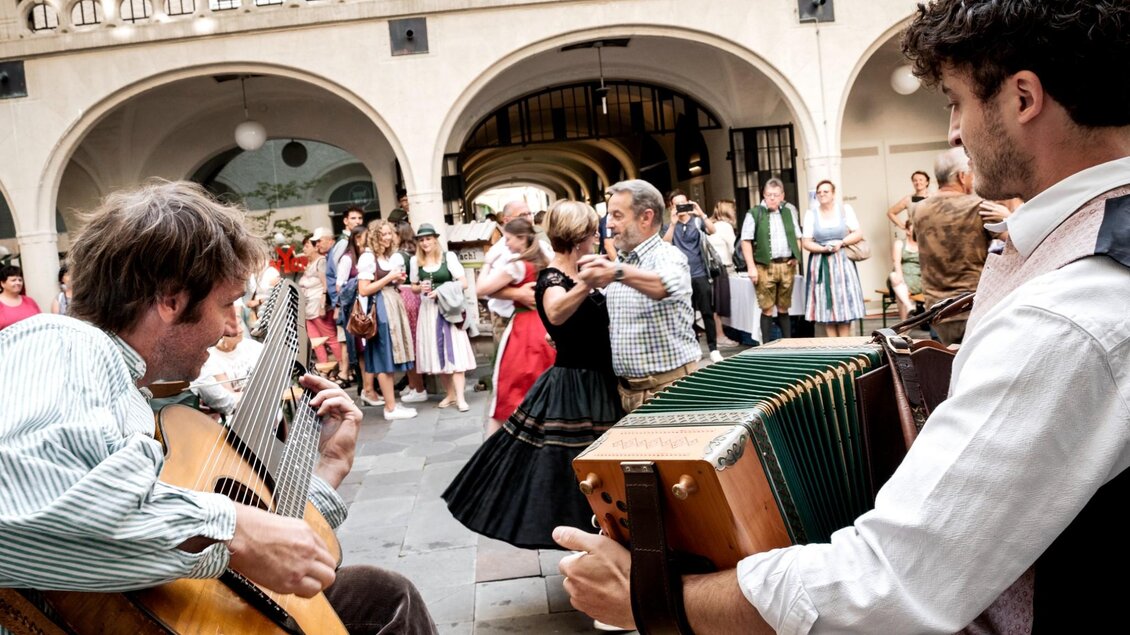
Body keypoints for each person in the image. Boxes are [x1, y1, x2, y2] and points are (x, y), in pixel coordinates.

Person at [555, 1, 1130, 632]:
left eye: (956, 102)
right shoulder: (1080, 259)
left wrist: (657, 598)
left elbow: (890, 583)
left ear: (1023, 97)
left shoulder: (1067, 316)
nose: (954, 134)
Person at [0, 181, 436, 634]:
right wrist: (234, 526)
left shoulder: (130, 389)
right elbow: (19, 502)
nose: (233, 325)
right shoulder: (62, 341)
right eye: (226, 303)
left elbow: (237, 559)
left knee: (383, 597)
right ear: (171, 298)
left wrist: (328, 470)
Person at [443, 200, 623, 548]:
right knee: (575, 468)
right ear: (580, 236)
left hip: (597, 380)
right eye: (592, 231)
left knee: (589, 469)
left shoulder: (575, 270)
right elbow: (555, 311)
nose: (598, 236)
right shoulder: (554, 277)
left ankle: (598, 541)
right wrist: (587, 284)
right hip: (577, 386)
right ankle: (587, 544)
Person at [577, 179, 699, 414]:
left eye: (617, 215)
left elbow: (665, 284)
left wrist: (615, 272)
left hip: (670, 391)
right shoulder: (622, 261)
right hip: (627, 393)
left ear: (646, 217)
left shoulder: (667, 255)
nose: (609, 224)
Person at [475, 217, 556, 435]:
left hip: (524, 330)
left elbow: (480, 288)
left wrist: (488, 262)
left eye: (509, 239)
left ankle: (496, 448)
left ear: (521, 239)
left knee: (510, 386)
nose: (506, 244)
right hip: (546, 324)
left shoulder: (517, 265)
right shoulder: (546, 257)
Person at [911, 147, 992, 345]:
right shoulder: (977, 206)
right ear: (961, 176)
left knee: (946, 364)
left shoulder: (919, 209)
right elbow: (1014, 239)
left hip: (937, 308)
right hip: (971, 304)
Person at [409, 223, 477, 411]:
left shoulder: (448, 257)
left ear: (435, 239)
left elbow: (463, 283)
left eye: (428, 238)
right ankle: (450, 394)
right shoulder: (416, 262)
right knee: (437, 353)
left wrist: (441, 291)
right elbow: (413, 286)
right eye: (421, 240)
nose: (425, 243)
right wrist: (419, 288)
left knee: (455, 351)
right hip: (429, 311)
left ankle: (461, 398)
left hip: (448, 310)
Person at [356, 220, 418, 421]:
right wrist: (388, 277)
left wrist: (397, 279)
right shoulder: (368, 258)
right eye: (382, 234)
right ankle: (390, 408)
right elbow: (364, 289)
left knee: (390, 354)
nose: (387, 237)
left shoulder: (386, 256)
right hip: (381, 307)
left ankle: (391, 403)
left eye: (389, 234)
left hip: (392, 302)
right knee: (384, 356)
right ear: (375, 236)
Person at [738, 178, 804, 343]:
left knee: (784, 306)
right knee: (766, 307)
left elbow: (798, 237)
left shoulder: (788, 212)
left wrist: (796, 256)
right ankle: (767, 346)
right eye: (769, 195)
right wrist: (751, 267)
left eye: (775, 195)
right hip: (764, 266)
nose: (772, 198)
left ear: (782, 195)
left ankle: (789, 345)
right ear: (764, 195)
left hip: (786, 266)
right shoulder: (754, 213)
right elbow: (745, 240)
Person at [800, 179, 867, 337]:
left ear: (833, 194)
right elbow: (806, 242)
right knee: (826, 307)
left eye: (826, 191)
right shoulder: (811, 214)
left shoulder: (844, 210)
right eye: (819, 192)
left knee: (844, 303)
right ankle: (833, 345)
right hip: (821, 263)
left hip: (843, 262)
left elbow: (858, 233)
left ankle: (844, 344)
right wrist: (823, 249)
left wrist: (841, 243)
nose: (822, 194)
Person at [662, 189, 722, 363]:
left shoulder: (696, 222)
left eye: (684, 203)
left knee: (706, 312)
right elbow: (665, 244)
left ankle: (713, 348)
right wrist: (673, 224)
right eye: (677, 204)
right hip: (680, 276)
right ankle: (694, 347)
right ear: (672, 207)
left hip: (699, 273)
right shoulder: (669, 225)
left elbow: (713, 230)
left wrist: (701, 213)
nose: (682, 207)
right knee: (686, 314)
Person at [326, 207, 367, 387]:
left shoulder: (352, 243)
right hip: (347, 302)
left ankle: (349, 375)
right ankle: (348, 375)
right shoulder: (344, 245)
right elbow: (339, 277)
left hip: (348, 302)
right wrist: (337, 304)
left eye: (360, 218)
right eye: (353, 218)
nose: (357, 221)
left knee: (351, 342)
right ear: (345, 221)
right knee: (350, 342)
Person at [192, 320, 264, 417]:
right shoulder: (210, 358)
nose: (241, 330)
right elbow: (227, 399)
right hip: (238, 413)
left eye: (239, 324)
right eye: (233, 327)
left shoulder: (253, 346)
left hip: (256, 404)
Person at [299, 228, 344, 369]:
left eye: (307, 245)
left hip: (318, 306)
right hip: (308, 309)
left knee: (330, 338)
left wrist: (322, 306)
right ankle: (325, 369)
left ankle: (343, 368)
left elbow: (325, 285)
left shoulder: (321, 261)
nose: (304, 249)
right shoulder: (309, 264)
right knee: (314, 341)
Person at [395, 222, 428, 403]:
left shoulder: (399, 255)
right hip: (415, 297)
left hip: (404, 296)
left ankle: (417, 386)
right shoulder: (414, 252)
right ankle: (414, 384)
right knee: (414, 343)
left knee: (409, 344)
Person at [888, 220, 922, 321]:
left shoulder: (922, 244)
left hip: (918, 277)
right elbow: (896, 261)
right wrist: (901, 278)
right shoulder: (900, 243)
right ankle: (909, 306)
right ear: (907, 231)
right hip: (902, 276)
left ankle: (904, 327)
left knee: (900, 295)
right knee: (894, 277)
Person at [0, 265, 41, 331]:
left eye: (20, 280)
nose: (18, 283)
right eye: (13, 280)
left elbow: (40, 321)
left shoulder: (30, 301)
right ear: (2, 283)